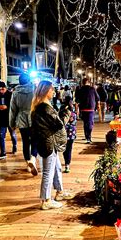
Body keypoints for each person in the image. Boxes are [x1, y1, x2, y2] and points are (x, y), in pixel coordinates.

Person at [31, 81, 73, 210]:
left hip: (46, 143)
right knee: (48, 172)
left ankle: (59, 192)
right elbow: (58, 125)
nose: (53, 91)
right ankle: (46, 200)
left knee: (57, 168)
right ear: (46, 91)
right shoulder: (45, 108)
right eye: (51, 90)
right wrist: (66, 113)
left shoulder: (39, 107)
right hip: (48, 143)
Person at [10, 74, 38, 175]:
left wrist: (12, 123)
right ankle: (33, 158)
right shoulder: (35, 89)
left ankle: (28, 164)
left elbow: (12, 110)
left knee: (26, 142)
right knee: (35, 140)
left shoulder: (15, 92)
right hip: (33, 118)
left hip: (21, 119)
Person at [0, 82, 17, 160]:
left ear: (6, 88)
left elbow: (14, 106)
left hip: (10, 118)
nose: (1, 91)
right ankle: (3, 152)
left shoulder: (11, 95)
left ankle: (14, 146)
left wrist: (7, 107)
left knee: (13, 135)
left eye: (2, 89)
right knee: (1, 136)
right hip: (1, 119)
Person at [75, 78, 99, 143]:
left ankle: (87, 136)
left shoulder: (80, 90)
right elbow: (97, 98)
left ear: (83, 83)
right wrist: (97, 106)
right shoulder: (92, 89)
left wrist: (77, 110)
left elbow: (77, 100)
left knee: (85, 123)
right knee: (90, 123)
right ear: (88, 82)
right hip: (91, 108)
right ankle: (88, 137)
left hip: (83, 109)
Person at [59, 96, 77, 173]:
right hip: (71, 133)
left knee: (65, 149)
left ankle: (66, 162)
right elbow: (74, 123)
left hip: (63, 133)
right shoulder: (73, 113)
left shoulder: (61, 112)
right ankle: (67, 164)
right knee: (69, 149)